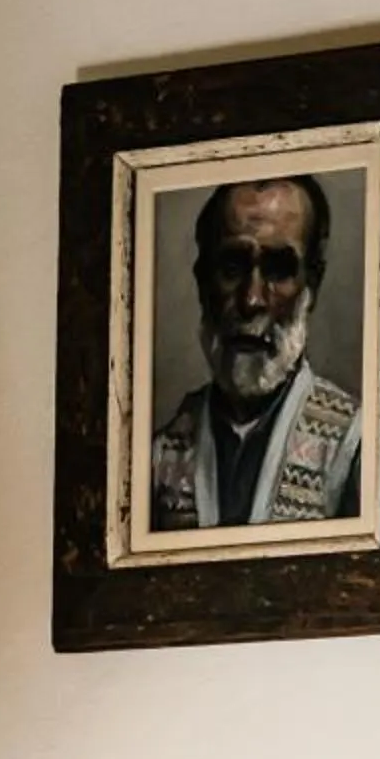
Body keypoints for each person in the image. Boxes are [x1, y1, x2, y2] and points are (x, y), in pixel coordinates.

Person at [150, 175, 363, 531]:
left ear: (312, 284)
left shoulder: (354, 446)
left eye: (278, 270)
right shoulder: (158, 458)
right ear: (203, 282)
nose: (252, 300)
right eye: (232, 268)